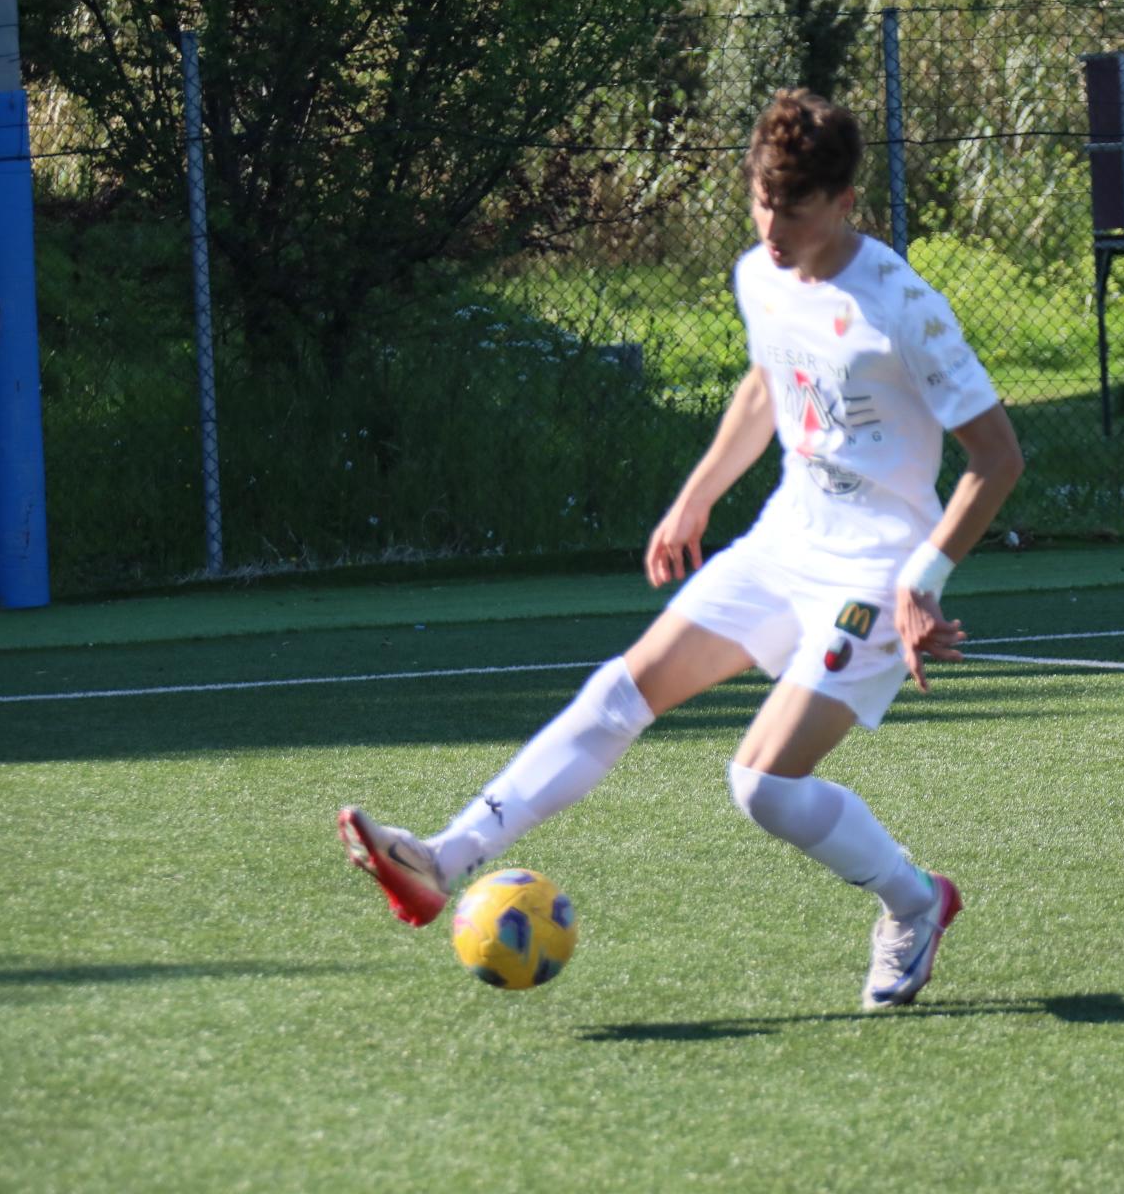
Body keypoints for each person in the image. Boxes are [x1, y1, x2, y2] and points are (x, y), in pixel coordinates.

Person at [339, 88, 1025, 1007]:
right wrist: (697, 496)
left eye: (795, 209)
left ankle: (914, 900)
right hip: (784, 540)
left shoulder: (904, 307)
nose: (772, 228)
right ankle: (443, 857)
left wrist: (923, 580)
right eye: (761, 202)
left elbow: (998, 457)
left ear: (843, 201)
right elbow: (767, 383)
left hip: (872, 571)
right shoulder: (759, 276)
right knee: (620, 690)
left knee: (762, 786)